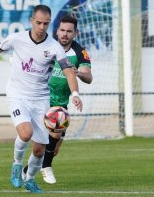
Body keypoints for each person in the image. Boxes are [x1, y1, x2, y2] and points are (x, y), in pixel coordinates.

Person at [0, 5, 83, 193]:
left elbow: (68, 71)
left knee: (39, 150)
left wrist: (75, 94)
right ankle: (17, 164)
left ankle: (30, 180)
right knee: (25, 133)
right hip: (17, 95)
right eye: (39, 23)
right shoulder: (17, 39)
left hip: (41, 99)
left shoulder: (54, 46)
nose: (42, 27)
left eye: (46, 23)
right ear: (31, 21)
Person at [23, 15, 92, 184]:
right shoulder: (48, 47)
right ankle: (46, 167)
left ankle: (27, 170)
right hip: (42, 98)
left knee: (53, 149)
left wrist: (79, 73)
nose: (65, 34)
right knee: (50, 137)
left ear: (75, 33)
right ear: (57, 31)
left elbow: (88, 77)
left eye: (69, 31)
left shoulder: (79, 51)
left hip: (62, 102)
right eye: (62, 30)